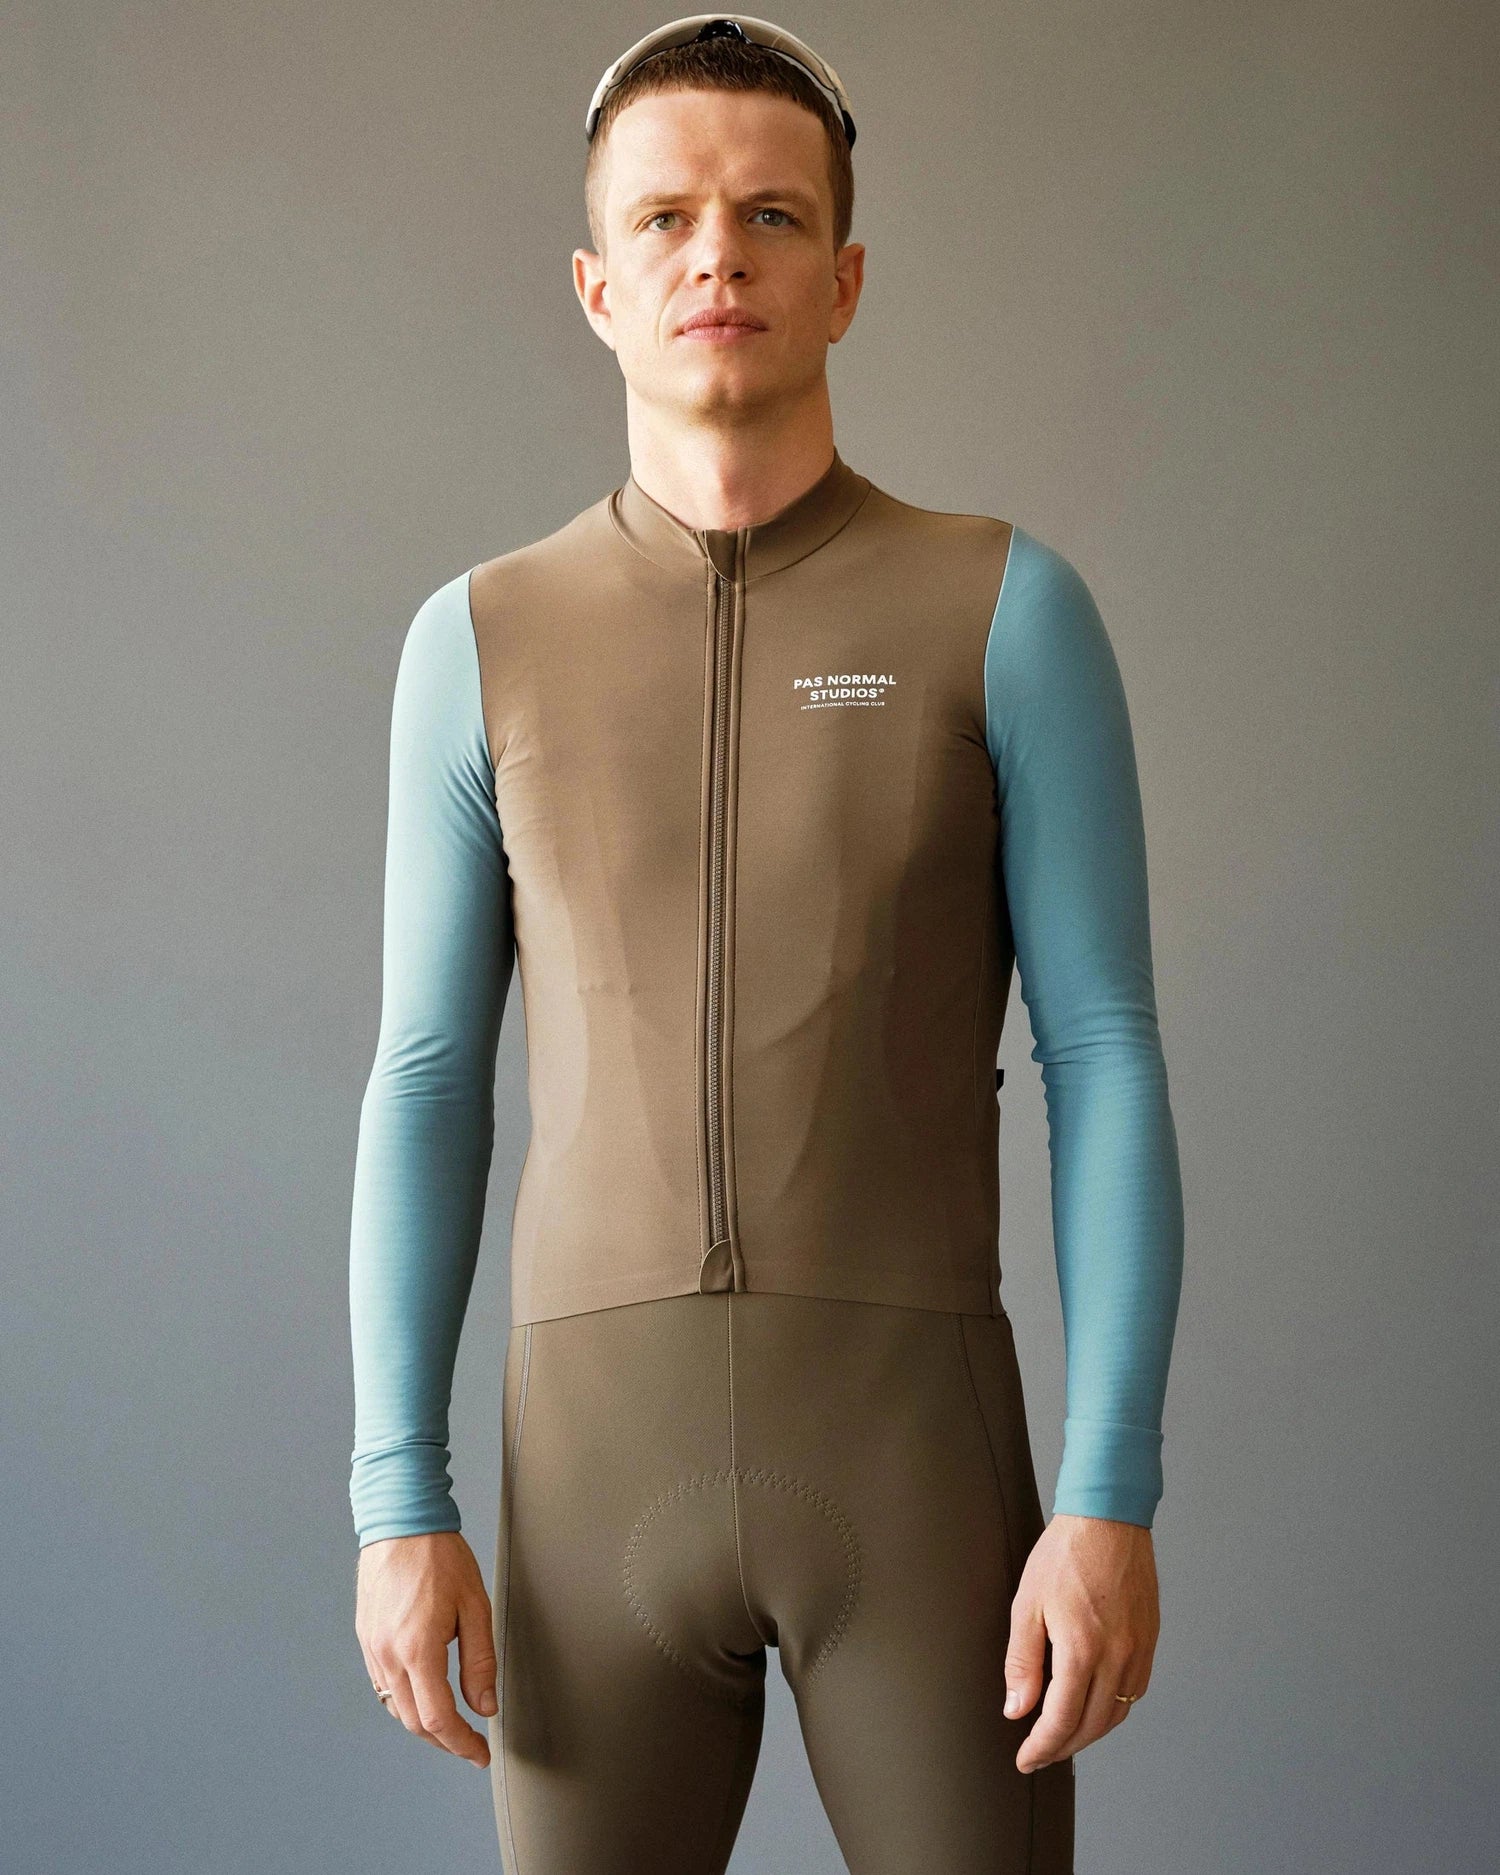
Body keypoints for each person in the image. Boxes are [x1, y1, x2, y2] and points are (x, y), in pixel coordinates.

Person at [348, 16, 1184, 1873]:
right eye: (664, 219)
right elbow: (427, 1075)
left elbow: (1104, 1051)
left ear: (846, 279)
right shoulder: (478, 643)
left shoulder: (1003, 609)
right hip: (593, 1502)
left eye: (771, 215)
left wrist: (1111, 1490)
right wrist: (395, 1497)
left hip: (920, 1479)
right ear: (598, 287)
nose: (715, 255)